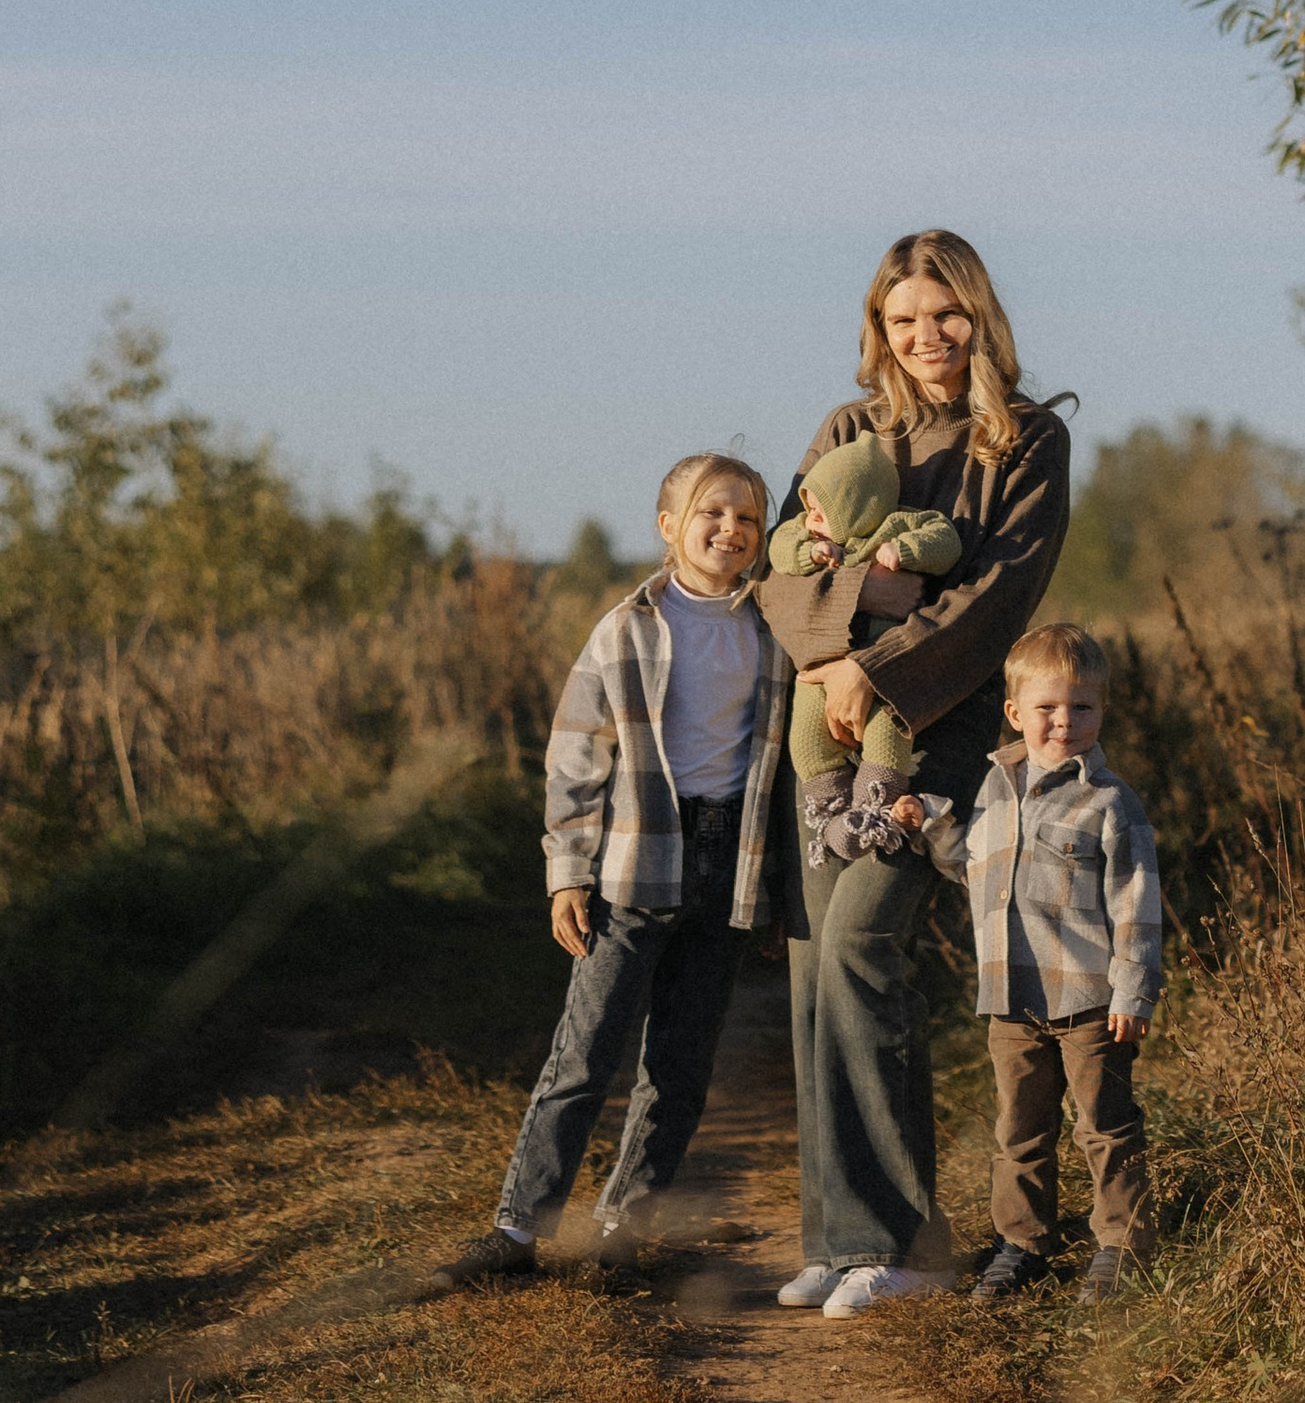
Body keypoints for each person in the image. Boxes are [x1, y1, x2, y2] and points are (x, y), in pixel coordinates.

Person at [758, 229, 1071, 1319]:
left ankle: (906, 1243)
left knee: (860, 946)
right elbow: (779, 575)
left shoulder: (1023, 441)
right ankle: (840, 1239)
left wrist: (876, 668)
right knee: (813, 972)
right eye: (904, 320)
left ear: (979, 316)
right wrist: (843, 656)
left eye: (946, 315)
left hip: (939, 731)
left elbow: (996, 598)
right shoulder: (849, 432)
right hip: (823, 734)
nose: (927, 337)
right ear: (877, 331)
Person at [442, 453, 788, 1282]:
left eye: (748, 517)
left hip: (727, 862)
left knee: (680, 1064)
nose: (730, 530)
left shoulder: (776, 625)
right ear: (668, 527)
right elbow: (575, 757)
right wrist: (568, 870)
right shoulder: (626, 627)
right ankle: (518, 1232)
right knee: (585, 1054)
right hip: (633, 866)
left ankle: (621, 1232)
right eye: (710, 513)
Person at [904, 621, 1161, 1302]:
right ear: (1016, 713)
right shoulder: (994, 790)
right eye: (1048, 708)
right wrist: (932, 824)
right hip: (1010, 999)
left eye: (1083, 708)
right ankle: (1022, 1243)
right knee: (1020, 1129)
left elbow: (1138, 908)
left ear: (1101, 711)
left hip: (1089, 1004)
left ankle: (1121, 1246)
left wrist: (1133, 995)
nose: (1065, 723)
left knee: (1105, 1126)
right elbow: (971, 868)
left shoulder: (1111, 804)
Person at [766, 429, 962, 864]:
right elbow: (778, 548)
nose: (810, 518)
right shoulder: (810, 537)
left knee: (888, 731)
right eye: (809, 508)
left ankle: (874, 811)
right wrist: (810, 554)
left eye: (821, 510)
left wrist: (903, 550)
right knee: (807, 738)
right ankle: (832, 813)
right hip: (821, 670)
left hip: (887, 670)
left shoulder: (898, 522)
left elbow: (945, 539)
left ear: (857, 507)